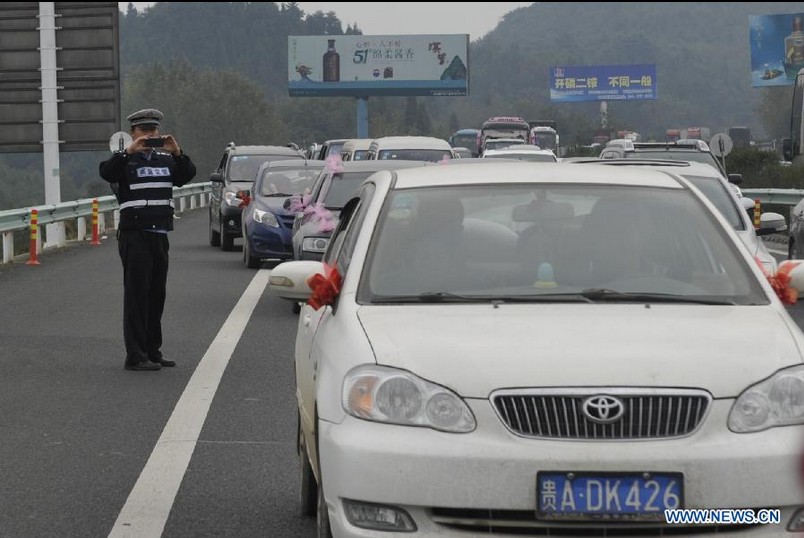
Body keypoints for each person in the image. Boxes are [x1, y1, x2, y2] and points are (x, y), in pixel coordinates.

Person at [99, 108, 196, 371]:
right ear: (133, 133)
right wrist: (127, 152)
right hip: (135, 235)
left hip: (159, 234)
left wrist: (178, 152)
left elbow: (186, 176)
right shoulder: (125, 160)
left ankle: (153, 350)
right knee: (137, 295)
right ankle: (136, 355)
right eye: (144, 131)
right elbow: (107, 173)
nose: (149, 135)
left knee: (156, 295)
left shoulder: (166, 159)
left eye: (153, 130)